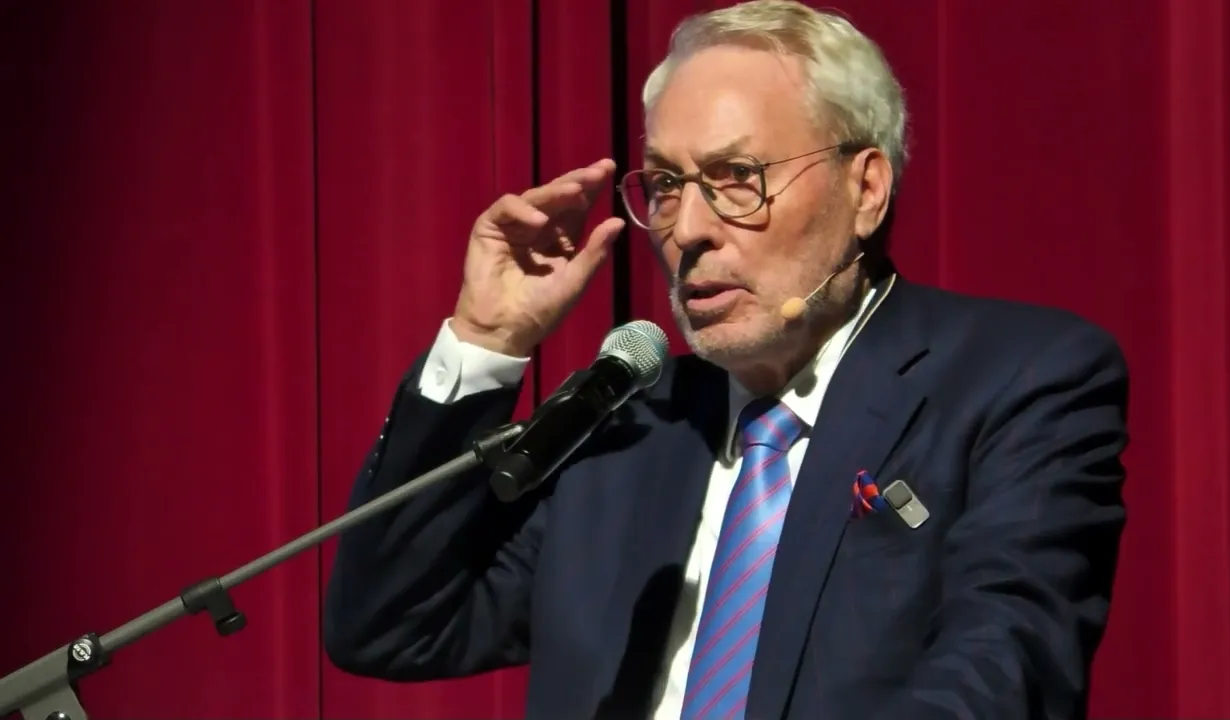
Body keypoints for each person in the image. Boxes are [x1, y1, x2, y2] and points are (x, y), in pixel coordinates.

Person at [322, 1, 1130, 718]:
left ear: (865, 190)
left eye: (737, 177)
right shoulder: (633, 423)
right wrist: (487, 340)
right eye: (667, 184)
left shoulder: (1017, 381)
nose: (688, 230)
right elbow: (395, 625)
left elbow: (1004, 677)